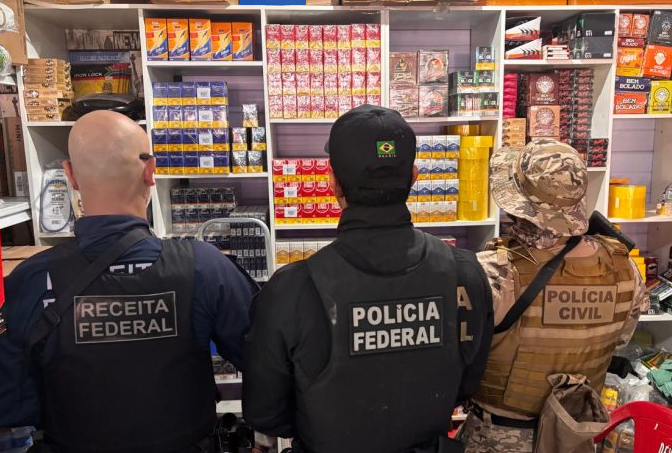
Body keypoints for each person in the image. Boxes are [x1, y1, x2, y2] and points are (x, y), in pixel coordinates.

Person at [0, 111, 257, 452]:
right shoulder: (204, 266)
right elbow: (262, 360)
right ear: (151, 172)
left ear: (70, 175)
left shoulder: (33, 279)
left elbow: (12, 403)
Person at [243, 105, 494, 453]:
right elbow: (466, 385)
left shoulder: (291, 290)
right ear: (414, 177)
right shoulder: (466, 273)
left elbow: (266, 414)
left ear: (332, 183)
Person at [458, 139, 649, 453]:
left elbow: (461, 356)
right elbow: (620, 340)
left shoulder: (493, 271)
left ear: (517, 204)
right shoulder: (623, 266)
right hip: (573, 439)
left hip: (498, 438)